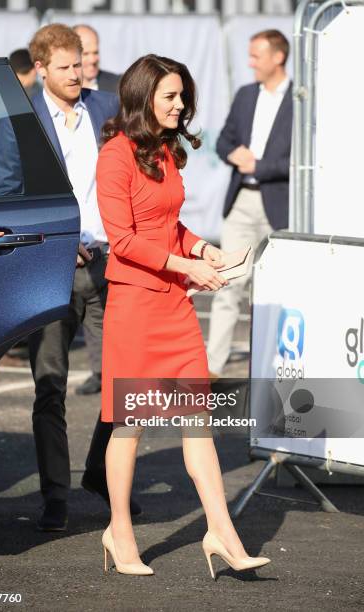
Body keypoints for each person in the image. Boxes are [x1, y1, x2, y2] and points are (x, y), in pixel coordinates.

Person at [96, 54, 271, 577]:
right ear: (143, 97)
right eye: (171, 96)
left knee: (198, 421)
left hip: (172, 302)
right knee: (131, 425)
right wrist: (186, 266)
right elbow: (123, 239)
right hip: (134, 303)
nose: (180, 106)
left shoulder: (166, 152)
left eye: (183, 97)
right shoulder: (116, 155)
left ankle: (222, 533)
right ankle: (119, 533)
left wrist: (203, 250)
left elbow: (168, 225)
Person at [24, 24, 139, 532]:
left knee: (123, 383)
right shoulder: (20, 116)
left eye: (81, 64)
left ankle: (98, 471)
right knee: (51, 387)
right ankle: (55, 495)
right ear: (42, 67)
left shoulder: (106, 106)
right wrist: (57, 239)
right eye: (67, 67)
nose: (78, 73)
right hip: (50, 270)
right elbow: (9, 190)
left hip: (110, 263)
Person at [207, 29, 293, 379]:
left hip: (282, 206)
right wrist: (232, 153)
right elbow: (224, 140)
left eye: (256, 55)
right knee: (227, 284)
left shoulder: (302, 100)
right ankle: (210, 369)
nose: (250, 63)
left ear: (278, 57)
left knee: (277, 290)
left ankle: (274, 368)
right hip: (242, 201)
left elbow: (307, 159)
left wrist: (261, 166)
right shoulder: (245, 95)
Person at [72, 24, 121, 396]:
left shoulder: (113, 92)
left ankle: (114, 372)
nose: (90, 60)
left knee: (108, 305)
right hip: (77, 223)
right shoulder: (50, 105)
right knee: (88, 300)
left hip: (108, 214)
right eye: (83, 53)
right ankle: (99, 371)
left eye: (93, 52)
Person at [73, 24, 120, 93]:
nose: (92, 60)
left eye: (96, 53)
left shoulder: (117, 84)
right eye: (85, 54)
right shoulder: (60, 87)